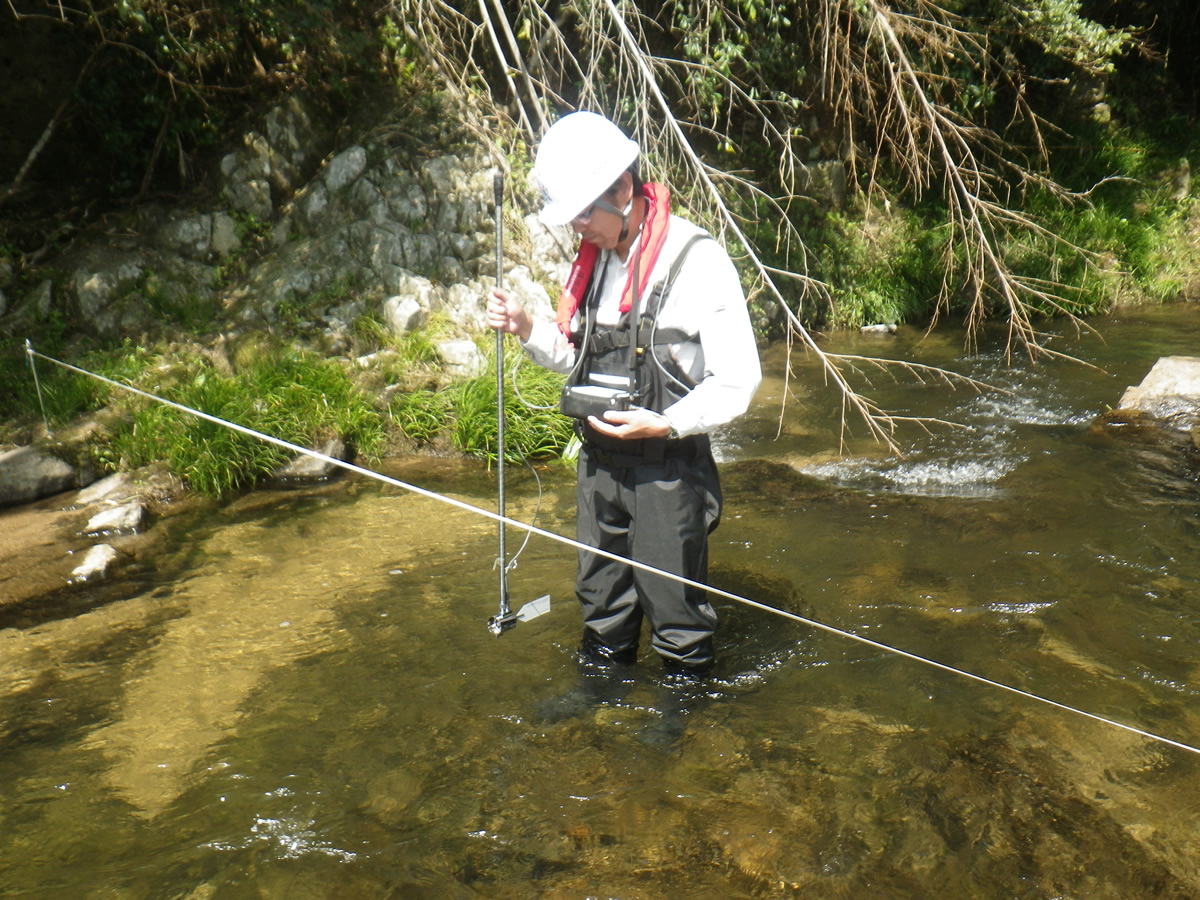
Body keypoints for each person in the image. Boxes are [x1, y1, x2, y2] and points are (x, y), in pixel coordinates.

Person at [487, 111, 761, 679]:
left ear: (625, 189)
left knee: (676, 615)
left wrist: (663, 425)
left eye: (585, 211)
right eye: (572, 215)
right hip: (600, 466)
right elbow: (578, 359)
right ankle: (598, 707)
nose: (576, 226)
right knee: (602, 603)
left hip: (668, 468)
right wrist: (525, 326)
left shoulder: (697, 260)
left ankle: (680, 723)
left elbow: (740, 380)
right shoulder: (594, 262)